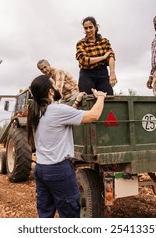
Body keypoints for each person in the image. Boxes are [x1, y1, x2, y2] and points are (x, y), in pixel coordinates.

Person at [27, 74, 106, 218]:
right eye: (53, 85)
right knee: (70, 214)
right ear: (50, 91)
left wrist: (76, 101)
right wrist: (101, 97)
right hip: (58, 170)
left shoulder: (35, 112)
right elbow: (93, 116)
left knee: (45, 214)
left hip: (41, 169)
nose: (56, 87)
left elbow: (63, 118)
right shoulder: (57, 111)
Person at [76, 16, 117, 95]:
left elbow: (111, 56)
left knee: (108, 98)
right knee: (87, 100)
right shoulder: (81, 43)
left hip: (103, 73)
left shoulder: (104, 41)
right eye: (86, 28)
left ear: (95, 27)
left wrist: (112, 73)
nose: (88, 30)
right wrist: (103, 57)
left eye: (90, 27)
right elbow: (84, 60)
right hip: (87, 74)